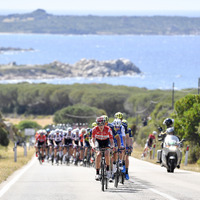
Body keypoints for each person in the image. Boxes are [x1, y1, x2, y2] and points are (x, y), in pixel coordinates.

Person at [92, 116, 114, 181]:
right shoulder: (94, 129)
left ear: (104, 124)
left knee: (107, 153)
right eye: (99, 125)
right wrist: (93, 146)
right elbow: (93, 140)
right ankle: (97, 173)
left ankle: (107, 171)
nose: (100, 126)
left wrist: (112, 146)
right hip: (98, 141)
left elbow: (111, 140)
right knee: (98, 154)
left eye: (102, 125)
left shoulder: (108, 129)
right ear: (97, 124)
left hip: (106, 141)